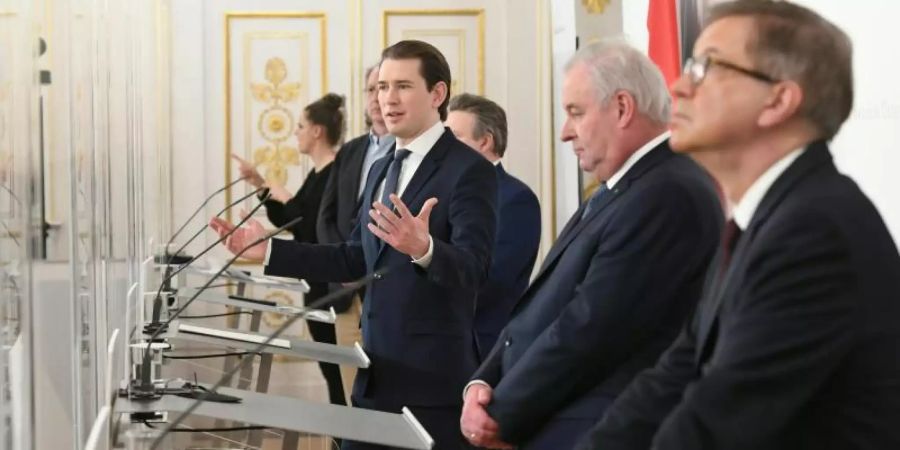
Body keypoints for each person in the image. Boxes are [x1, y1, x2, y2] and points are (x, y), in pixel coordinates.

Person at [577, 2, 900, 449]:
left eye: (706, 65)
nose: (679, 85)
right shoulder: (766, 217)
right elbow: (675, 375)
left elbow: (715, 426)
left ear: (778, 100)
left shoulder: (815, 231)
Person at [211, 40, 497, 450]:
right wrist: (270, 250)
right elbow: (354, 256)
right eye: (381, 87)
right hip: (374, 375)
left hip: (433, 386)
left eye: (402, 86)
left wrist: (424, 248)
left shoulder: (469, 170)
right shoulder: (382, 167)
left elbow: (475, 271)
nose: (387, 99)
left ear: (437, 94)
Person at [460, 40, 723, 449]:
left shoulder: (666, 193)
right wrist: (483, 381)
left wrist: (500, 413)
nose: (565, 132)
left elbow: (591, 326)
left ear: (621, 108)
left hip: (595, 428)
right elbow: (542, 304)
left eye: (575, 113)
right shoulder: (624, 189)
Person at [231, 93, 348, 407]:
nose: (295, 132)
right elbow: (293, 216)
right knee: (332, 375)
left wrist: (275, 196)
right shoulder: (318, 174)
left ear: (317, 131)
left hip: (331, 288)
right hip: (316, 284)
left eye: (300, 126)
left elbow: (304, 223)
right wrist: (260, 183)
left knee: (340, 378)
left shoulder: (336, 174)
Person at [316, 64, 396, 403]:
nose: (377, 98)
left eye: (385, 88)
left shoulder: (410, 151)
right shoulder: (350, 151)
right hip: (347, 297)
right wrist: (343, 267)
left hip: (391, 294)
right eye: (371, 89)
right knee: (352, 398)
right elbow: (326, 217)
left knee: (390, 396)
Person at [445, 93, 541, 355]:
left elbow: (491, 282)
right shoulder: (447, 193)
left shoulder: (516, 199)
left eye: (454, 137)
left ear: (485, 141)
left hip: (481, 348)